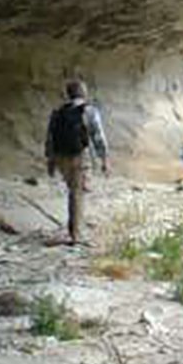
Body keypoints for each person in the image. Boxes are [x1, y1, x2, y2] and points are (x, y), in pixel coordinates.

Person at [45, 79, 108, 244]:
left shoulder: (58, 112)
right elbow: (98, 136)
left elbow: (50, 138)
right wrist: (104, 159)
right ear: (83, 92)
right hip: (79, 155)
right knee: (77, 193)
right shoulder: (89, 111)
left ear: (68, 93)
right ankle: (76, 234)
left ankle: (75, 227)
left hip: (60, 156)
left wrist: (51, 161)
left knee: (74, 190)